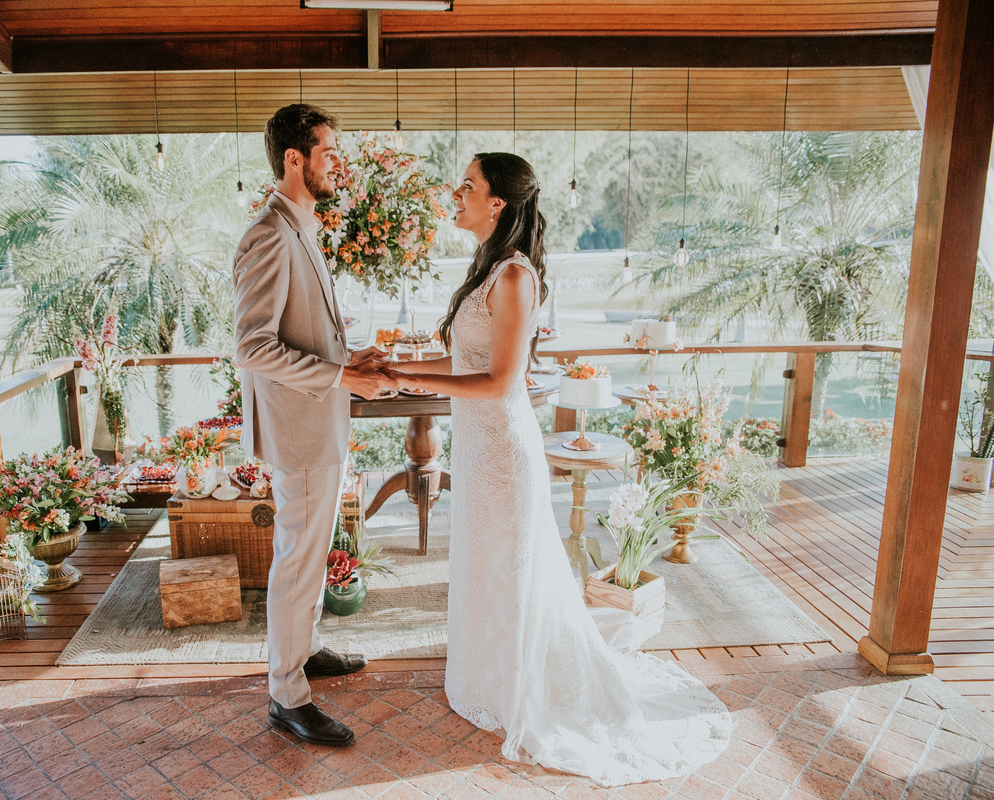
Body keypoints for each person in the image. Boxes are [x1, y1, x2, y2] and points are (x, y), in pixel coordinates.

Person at [386, 153, 732, 784]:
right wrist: (395, 371)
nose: (456, 195)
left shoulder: (515, 276)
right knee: (485, 566)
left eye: (467, 186)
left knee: (512, 570)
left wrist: (410, 378)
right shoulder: (487, 268)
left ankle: (524, 689)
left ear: (497, 203)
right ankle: (487, 681)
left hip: (504, 453)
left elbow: (499, 382)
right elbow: (461, 363)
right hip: (478, 450)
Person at [233, 103, 393, 748]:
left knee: (310, 553)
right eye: (328, 152)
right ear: (293, 159)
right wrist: (341, 377)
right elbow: (253, 347)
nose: (337, 164)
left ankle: (305, 649)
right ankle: (287, 695)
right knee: (299, 561)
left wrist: (349, 360)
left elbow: (302, 332)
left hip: (317, 424)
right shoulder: (270, 233)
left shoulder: (301, 225)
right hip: (299, 433)